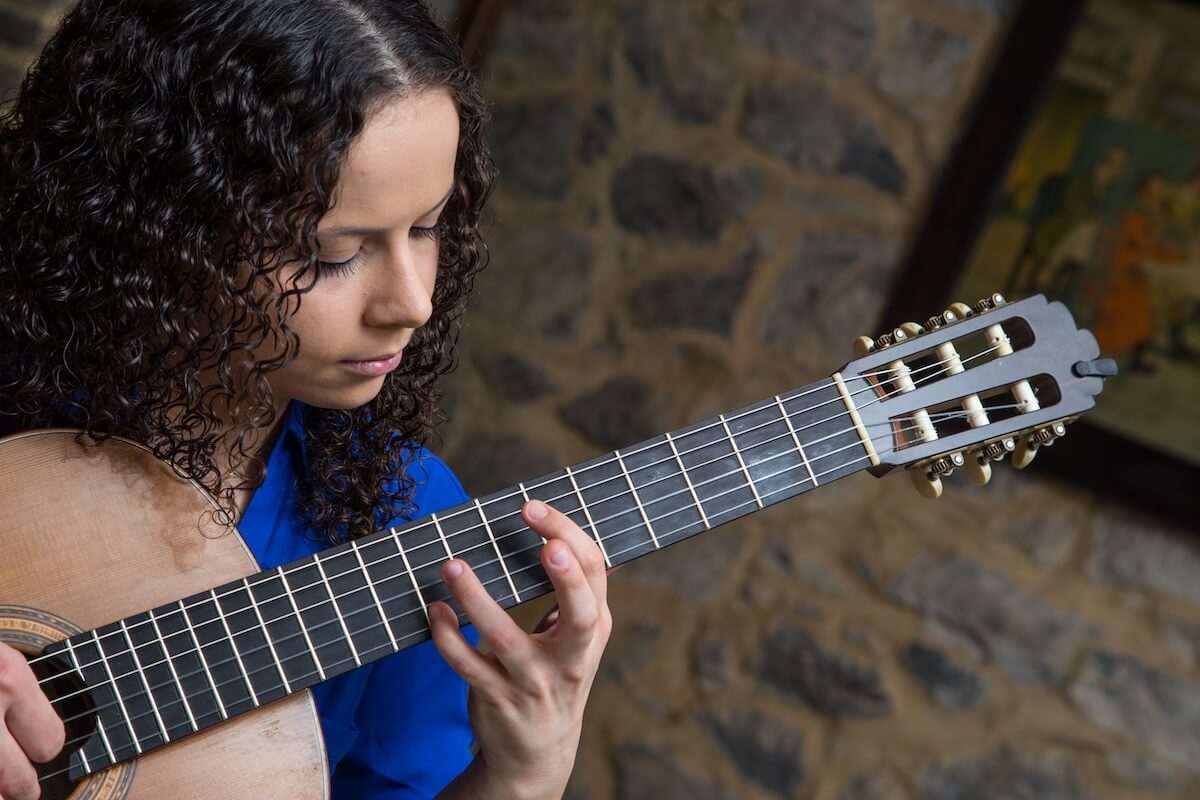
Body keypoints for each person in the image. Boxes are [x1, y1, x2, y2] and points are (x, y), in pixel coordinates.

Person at [0, 1, 610, 799]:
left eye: (428, 227)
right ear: (161, 228)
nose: (413, 303)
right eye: (333, 254)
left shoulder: (408, 513)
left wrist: (522, 774)